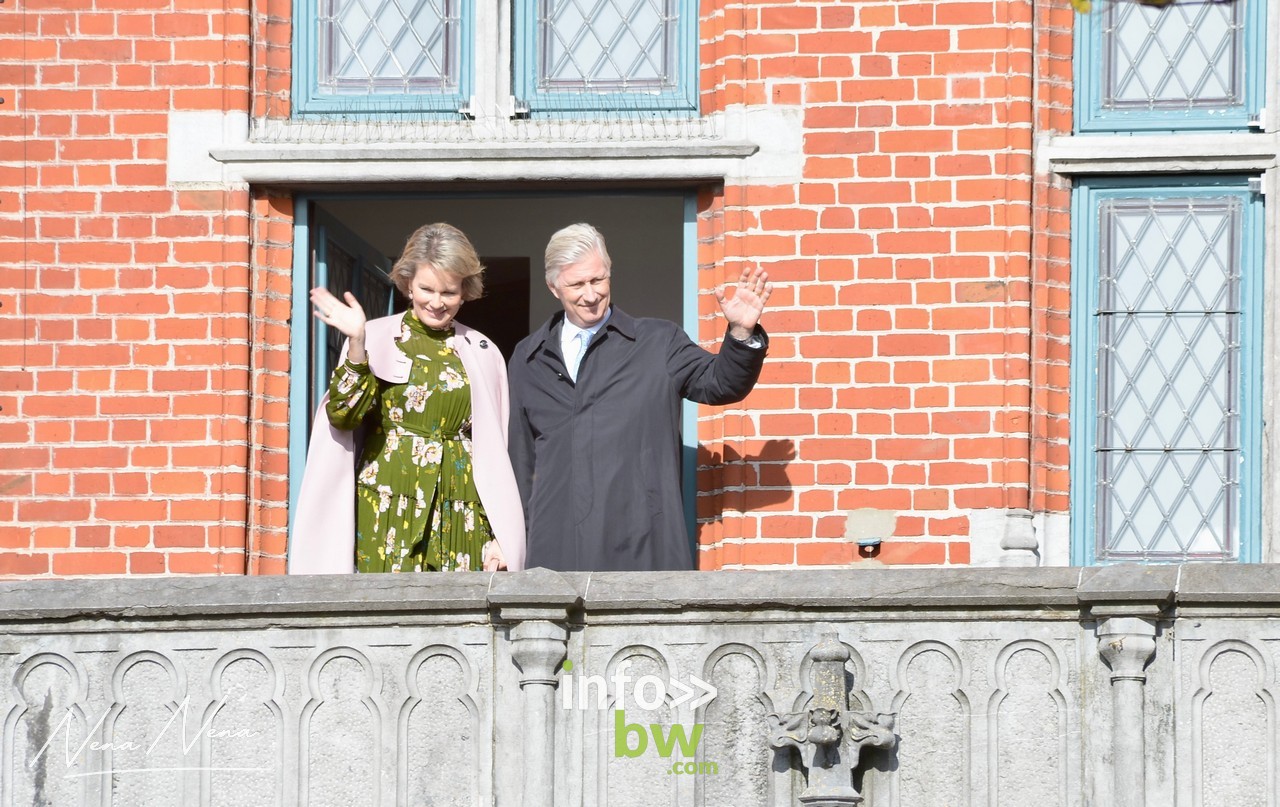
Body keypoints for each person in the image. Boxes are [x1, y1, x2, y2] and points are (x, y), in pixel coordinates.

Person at [507, 223, 771, 571]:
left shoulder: (658, 342)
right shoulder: (529, 358)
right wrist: (511, 544)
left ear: (610, 272)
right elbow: (519, 463)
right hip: (556, 551)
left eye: (598, 280)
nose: (590, 295)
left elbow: (720, 383)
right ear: (553, 286)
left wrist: (741, 333)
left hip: (643, 546)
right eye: (576, 284)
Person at [289, 223, 525, 574]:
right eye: (426, 289)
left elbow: (500, 451)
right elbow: (342, 417)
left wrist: (502, 534)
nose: (437, 302)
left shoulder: (483, 350)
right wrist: (356, 343)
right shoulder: (375, 336)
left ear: (465, 290)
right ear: (408, 284)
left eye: (449, 292)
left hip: (459, 506)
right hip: (386, 503)